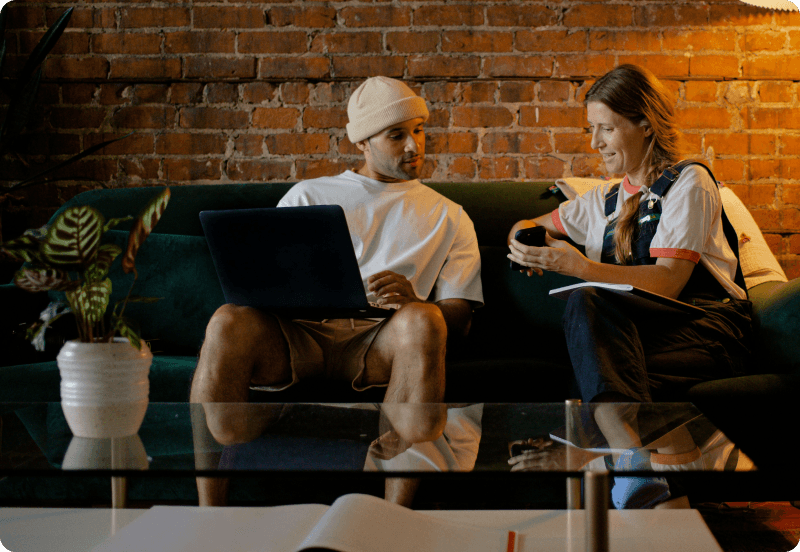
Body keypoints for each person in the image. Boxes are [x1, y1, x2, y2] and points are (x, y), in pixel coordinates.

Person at [190, 76, 484, 506]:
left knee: (426, 319)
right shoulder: (308, 195)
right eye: (396, 135)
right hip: (299, 336)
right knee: (226, 319)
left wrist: (415, 302)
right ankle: (208, 510)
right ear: (362, 142)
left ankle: (394, 514)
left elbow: (459, 318)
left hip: (380, 343)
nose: (414, 146)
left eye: (419, 131)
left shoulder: (450, 216)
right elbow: (264, 282)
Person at [506, 64, 753, 508]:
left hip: (706, 330)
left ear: (645, 125)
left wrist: (581, 267)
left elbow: (668, 282)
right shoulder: (604, 200)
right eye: (592, 128)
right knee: (607, 367)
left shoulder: (689, 182)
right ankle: (647, 489)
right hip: (646, 340)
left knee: (589, 319)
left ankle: (616, 462)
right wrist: (524, 242)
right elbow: (528, 223)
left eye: (606, 128)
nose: (595, 142)